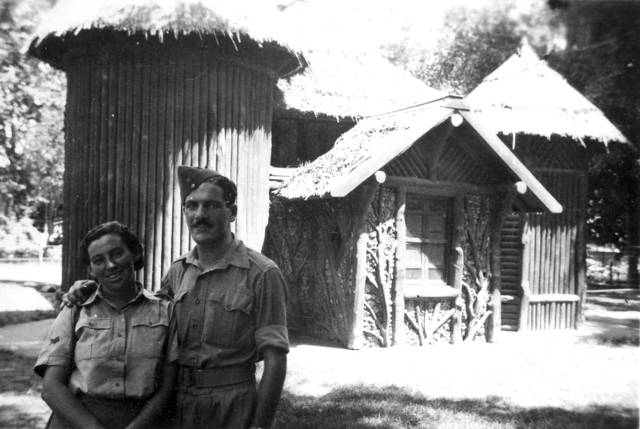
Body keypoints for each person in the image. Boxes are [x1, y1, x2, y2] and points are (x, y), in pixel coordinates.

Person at [63, 166, 289, 429]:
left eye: (212, 205)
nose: (199, 215)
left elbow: (276, 358)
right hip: (177, 405)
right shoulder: (178, 270)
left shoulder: (262, 273)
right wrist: (93, 288)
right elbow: (147, 314)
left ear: (232, 213)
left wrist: (260, 425)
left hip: (232, 406)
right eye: (191, 206)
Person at [35, 221, 177, 429]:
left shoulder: (165, 310)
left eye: (117, 253)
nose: (110, 265)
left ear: (135, 253)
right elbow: (51, 387)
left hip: (144, 422)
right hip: (78, 421)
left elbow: (168, 386)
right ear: (91, 270)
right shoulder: (76, 308)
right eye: (99, 260)